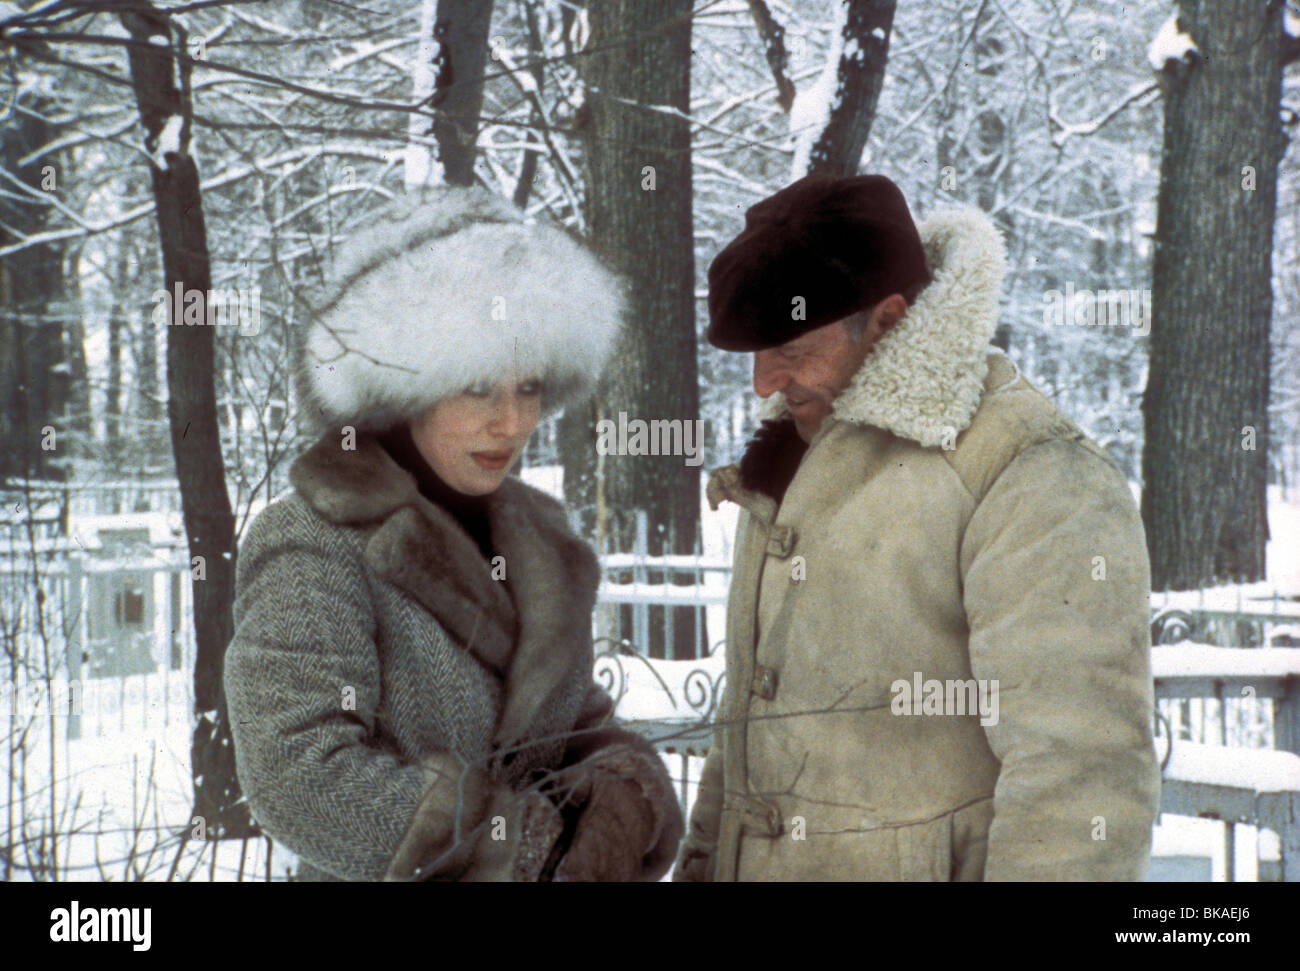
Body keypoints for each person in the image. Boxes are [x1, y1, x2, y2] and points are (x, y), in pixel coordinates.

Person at [673, 173, 1160, 882]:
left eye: (793, 349)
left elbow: (1080, 781)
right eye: (756, 352)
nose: (763, 383)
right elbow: (746, 724)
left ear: (890, 319)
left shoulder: (1028, 470)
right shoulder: (793, 458)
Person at [224, 186, 683, 881]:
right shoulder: (316, 538)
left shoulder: (538, 535)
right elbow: (299, 775)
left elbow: (571, 722)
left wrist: (621, 787)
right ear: (401, 388)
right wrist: (513, 847)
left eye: (528, 386)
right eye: (477, 387)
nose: (512, 421)